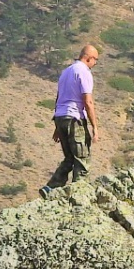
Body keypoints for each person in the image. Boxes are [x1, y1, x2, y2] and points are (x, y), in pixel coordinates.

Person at [41, 44, 100, 196]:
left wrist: (57, 128)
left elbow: (59, 98)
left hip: (61, 118)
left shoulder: (66, 72)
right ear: (88, 58)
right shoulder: (83, 72)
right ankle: (79, 194)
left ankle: (51, 188)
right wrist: (95, 127)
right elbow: (88, 101)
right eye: (95, 60)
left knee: (69, 158)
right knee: (81, 158)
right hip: (74, 119)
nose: (95, 64)